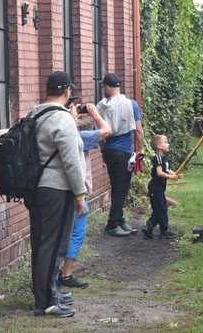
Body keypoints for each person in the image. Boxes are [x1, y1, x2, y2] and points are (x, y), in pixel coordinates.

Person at [28, 71, 88, 318]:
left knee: (41, 242)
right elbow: (71, 161)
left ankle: (44, 293)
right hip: (57, 188)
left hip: (36, 187)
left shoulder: (35, 114)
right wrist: (80, 194)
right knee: (54, 245)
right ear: (67, 91)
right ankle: (47, 301)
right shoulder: (62, 120)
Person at [59, 103, 111, 288]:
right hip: (78, 192)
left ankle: (56, 273)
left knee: (60, 233)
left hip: (60, 189)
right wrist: (94, 113)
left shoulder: (57, 133)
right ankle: (66, 274)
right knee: (75, 233)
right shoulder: (80, 137)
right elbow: (107, 130)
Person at [97, 73, 144, 237]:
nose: (103, 90)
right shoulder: (131, 104)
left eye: (104, 87)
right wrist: (140, 151)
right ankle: (112, 224)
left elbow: (100, 133)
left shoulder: (101, 106)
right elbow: (138, 130)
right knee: (121, 189)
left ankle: (120, 220)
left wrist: (103, 151)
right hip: (124, 151)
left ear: (109, 87)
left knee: (117, 186)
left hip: (110, 150)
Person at [142, 135, 180, 239]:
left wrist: (175, 174)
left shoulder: (164, 158)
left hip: (159, 189)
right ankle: (162, 229)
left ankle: (149, 228)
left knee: (160, 208)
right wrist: (172, 177)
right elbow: (159, 173)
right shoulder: (157, 158)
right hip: (155, 188)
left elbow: (167, 170)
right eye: (166, 142)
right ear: (159, 146)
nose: (168, 144)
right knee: (161, 209)